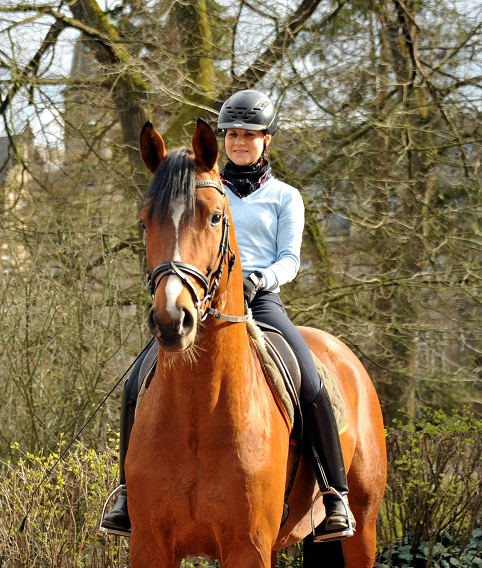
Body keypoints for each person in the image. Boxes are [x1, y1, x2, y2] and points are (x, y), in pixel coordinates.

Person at [100, 90, 354, 543]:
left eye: (249, 135)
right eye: (233, 134)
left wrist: (261, 279)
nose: (240, 142)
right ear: (222, 140)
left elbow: (291, 259)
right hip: (202, 301)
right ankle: (125, 492)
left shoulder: (285, 197)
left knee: (311, 378)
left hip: (260, 301)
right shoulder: (200, 185)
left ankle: (335, 493)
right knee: (136, 380)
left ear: (266, 141)